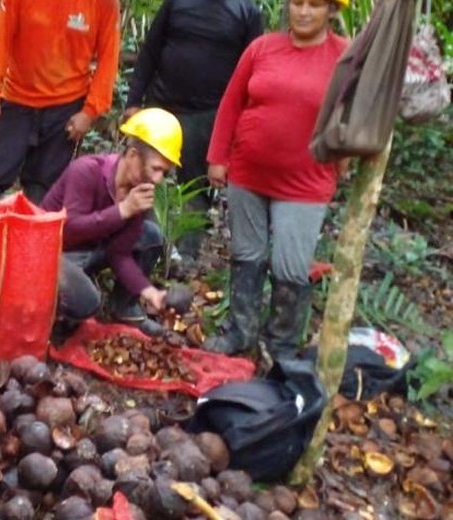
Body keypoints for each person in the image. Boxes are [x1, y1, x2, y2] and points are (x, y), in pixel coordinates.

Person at [203, 0, 350, 361]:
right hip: (249, 171)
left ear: (331, 11)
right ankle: (240, 331)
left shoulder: (345, 57)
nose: (302, 12)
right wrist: (217, 157)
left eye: (314, 5)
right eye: (297, 3)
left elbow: (354, 112)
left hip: (306, 180)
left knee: (291, 264)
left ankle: (280, 344)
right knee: (246, 253)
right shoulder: (262, 48)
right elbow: (232, 102)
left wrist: (344, 161)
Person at [0, 0, 121, 275]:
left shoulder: (104, 5)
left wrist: (90, 111)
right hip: (17, 96)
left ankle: (24, 254)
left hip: (67, 104)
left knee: (43, 182)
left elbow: (108, 57)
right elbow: (1, 37)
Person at [124, 0, 263, 269]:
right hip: (162, 105)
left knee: (196, 186)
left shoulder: (247, 11)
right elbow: (151, 50)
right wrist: (133, 101)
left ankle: (185, 256)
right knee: (145, 178)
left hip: (208, 115)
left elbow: (251, 72)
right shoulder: (176, 3)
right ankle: (145, 248)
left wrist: (237, 129)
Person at [42, 108, 183, 338]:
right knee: (86, 302)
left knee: (151, 235)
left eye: (164, 173)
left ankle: (123, 307)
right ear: (133, 156)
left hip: (90, 252)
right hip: (55, 250)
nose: (157, 179)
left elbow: (120, 254)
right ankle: (52, 311)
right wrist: (123, 210)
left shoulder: (139, 191)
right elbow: (69, 229)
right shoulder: (87, 171)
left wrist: (149, 292)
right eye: (155, 168)